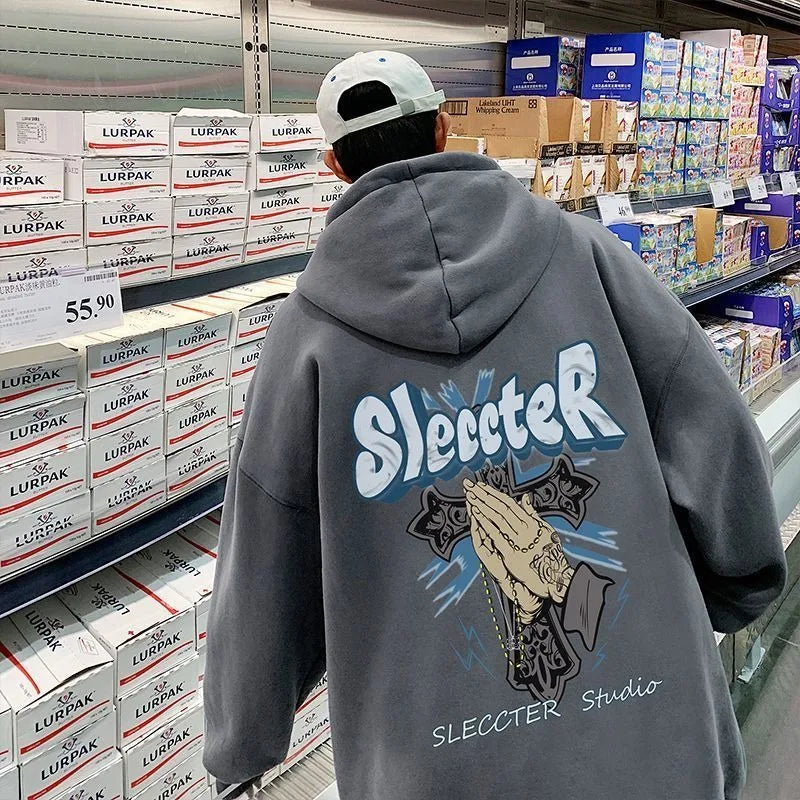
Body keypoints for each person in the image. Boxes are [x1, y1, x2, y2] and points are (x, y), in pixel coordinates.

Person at [203, 51, 787, 799]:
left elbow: (264, 548)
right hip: (652, 745)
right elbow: (708, 419)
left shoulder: (303, 339)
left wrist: (243, 739)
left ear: (334, 166)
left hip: (430, 771)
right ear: (445, 129)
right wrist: (741, 583)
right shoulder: (591, 256)